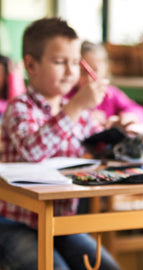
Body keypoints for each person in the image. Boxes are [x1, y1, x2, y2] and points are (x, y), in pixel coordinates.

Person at [0, 18, 120, 269]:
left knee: (108, 267)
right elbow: (33, 152)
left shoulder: (78, 113)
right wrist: (76, 106)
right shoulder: (19, 107)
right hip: (13, 223)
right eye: (59, 62)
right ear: (31, 65)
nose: (70, 71)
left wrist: (115, 137)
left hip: (60, 222)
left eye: (75, 63)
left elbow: (98, 150)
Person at [67, 40, 143, 127]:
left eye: (95, 70)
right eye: (83, 72)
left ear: (105, 69)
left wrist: (129, 117)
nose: (89, 79)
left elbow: (140, 111)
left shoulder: (110, 94)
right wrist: (84, 116)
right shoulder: (67, 95)